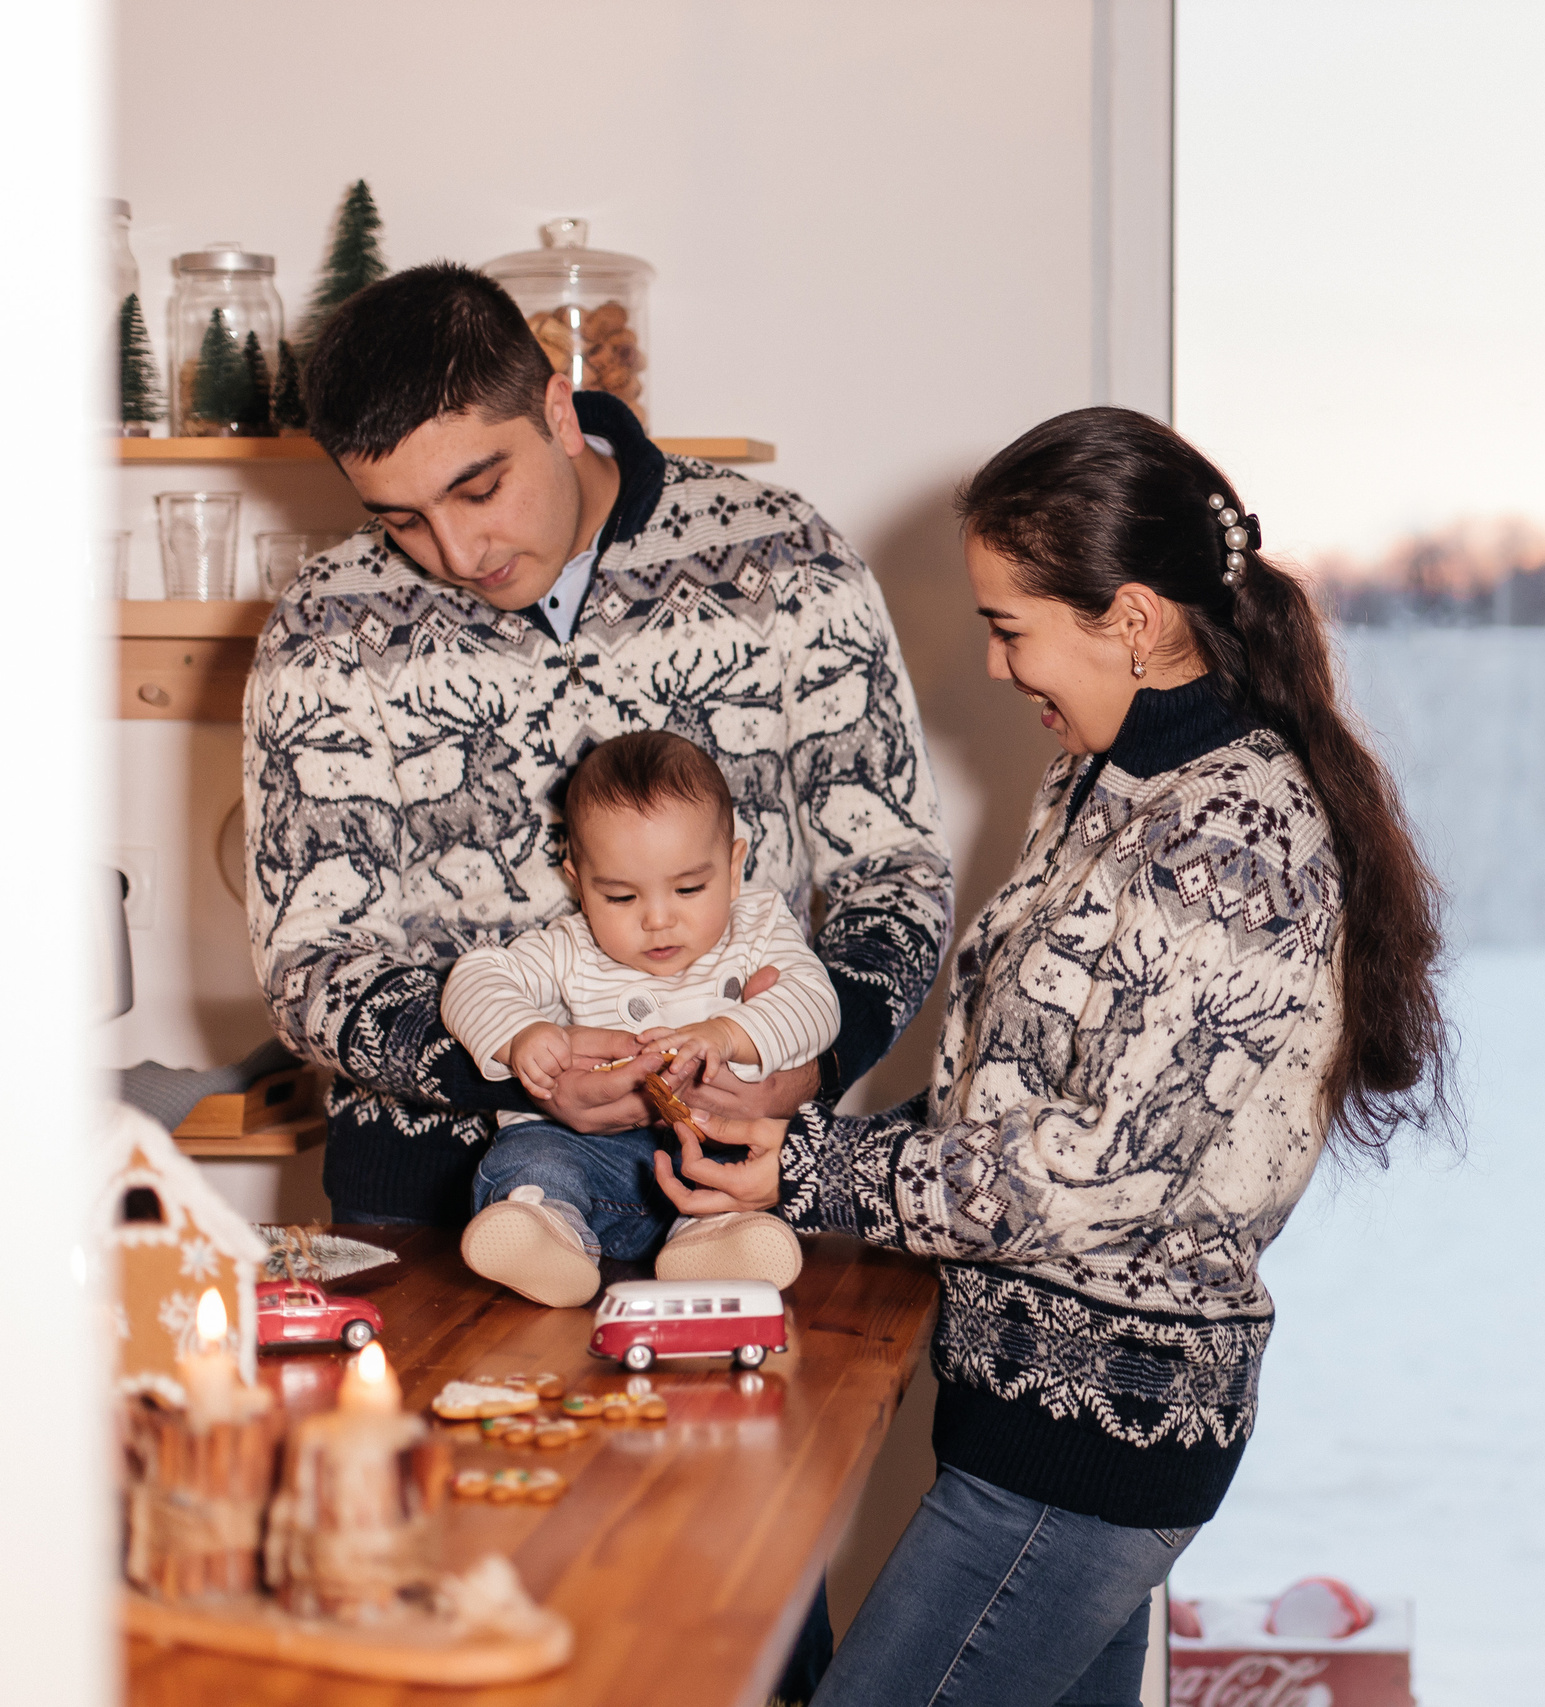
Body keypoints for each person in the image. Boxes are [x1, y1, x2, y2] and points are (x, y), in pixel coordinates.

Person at [652, 407, 1455, 1707]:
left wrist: (804, 1171)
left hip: (1089, 1448)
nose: (992, 659)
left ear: (1130, 618)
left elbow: (1088, 1172)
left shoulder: (1233, 838)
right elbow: (1015, 1089)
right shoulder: (1104, 780)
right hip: (1030, 1422)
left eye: (1011, 622)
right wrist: (792, 1138)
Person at [243, 263, 952, 1230]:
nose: (456, 551)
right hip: (425, 1211)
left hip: (736, 1186)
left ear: (558, 411)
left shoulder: (784, 557)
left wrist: (808, 1063)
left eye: (480, 487)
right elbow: (308, 962)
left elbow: (896, 876)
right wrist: (511, 1065)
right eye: (401, 518)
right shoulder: (323, 627)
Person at [444, 730, 833, 1307]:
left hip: (708, 1150)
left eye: (689, 888)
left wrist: (730, 1033)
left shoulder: (757, 929)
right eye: (621, 898)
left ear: (734, 866)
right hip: (586, 1156)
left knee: (752, 1170)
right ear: (577, 882)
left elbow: (816, 1004)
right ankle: (546, 1230)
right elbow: (471, 980)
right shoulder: (568, 947)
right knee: (532, 1156)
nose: (657, 919)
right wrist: (518, 1034)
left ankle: (713, 1244)